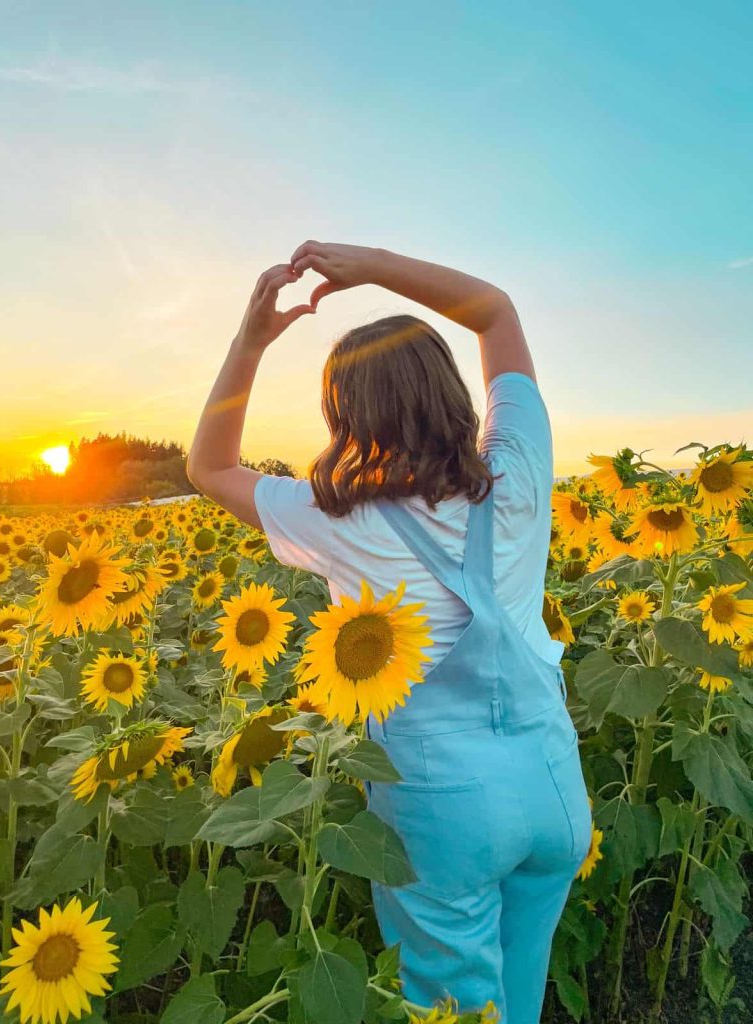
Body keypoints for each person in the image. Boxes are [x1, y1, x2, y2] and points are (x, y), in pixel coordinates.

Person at [187, 242, 593, 1023]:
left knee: (454, 1011)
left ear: (344, 416)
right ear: (449, 391)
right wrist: (371, 266)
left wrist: (252, 339)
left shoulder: (334, 517)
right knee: (521, 991)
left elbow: (209, 467)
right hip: (553, 785)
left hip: (443, 811)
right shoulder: (517, 471)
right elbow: (496, 311)